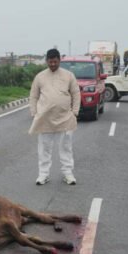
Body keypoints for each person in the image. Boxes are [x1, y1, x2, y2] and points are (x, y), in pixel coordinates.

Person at [29, 49, 80, 185]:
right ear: (46, 61)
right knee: (44, 148)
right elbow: (33, 96)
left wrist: (75, 112)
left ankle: (68, 174)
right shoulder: (40, 77)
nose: (52, 64)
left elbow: (76, 94)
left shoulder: (69, 75)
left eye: (55, 61)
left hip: (65, 118)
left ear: (59, 60)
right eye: (50, 62)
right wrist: (34, 113)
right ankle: (43, 175)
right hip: (44, 119)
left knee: (66, 147)